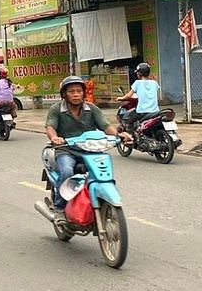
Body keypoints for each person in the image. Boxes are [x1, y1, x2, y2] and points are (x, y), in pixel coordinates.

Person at [45, 76, 130, 221]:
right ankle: (59, 208)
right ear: (64, 94)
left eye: (79, 91)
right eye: (71, 91)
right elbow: (50, 127)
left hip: (91, 150)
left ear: (84, 93)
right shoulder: (56, 109)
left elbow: (105, 126)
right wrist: (54, 138)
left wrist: (119, 135)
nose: (76, 94)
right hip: (66, 150)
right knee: (67, 171)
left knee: (102, 172)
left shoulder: (92, 108)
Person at [117, 62, 160, 132]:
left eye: (137, 73)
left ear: (139, 74)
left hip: (142, 112)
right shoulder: (154, 83)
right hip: (155, 111)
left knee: (127, 120)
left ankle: (130, 136)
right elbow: (149, 93)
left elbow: (128, 96)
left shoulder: (137, 83)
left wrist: (120, 98)